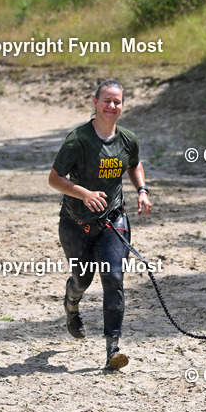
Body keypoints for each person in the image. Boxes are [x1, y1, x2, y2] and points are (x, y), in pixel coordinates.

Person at [48, 79, 152, 370]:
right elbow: (55, 178)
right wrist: (84, 193)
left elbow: (133, 164)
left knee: (114, 277)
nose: (112, 106)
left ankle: (113, 349)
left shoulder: (127, 138)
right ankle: (71, 304)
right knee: (83, 279)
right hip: (75, 222)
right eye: (106, 100)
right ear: (95, 103)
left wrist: (142, 190)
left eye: (117, 101)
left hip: (112, 221)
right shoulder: (78, 139)